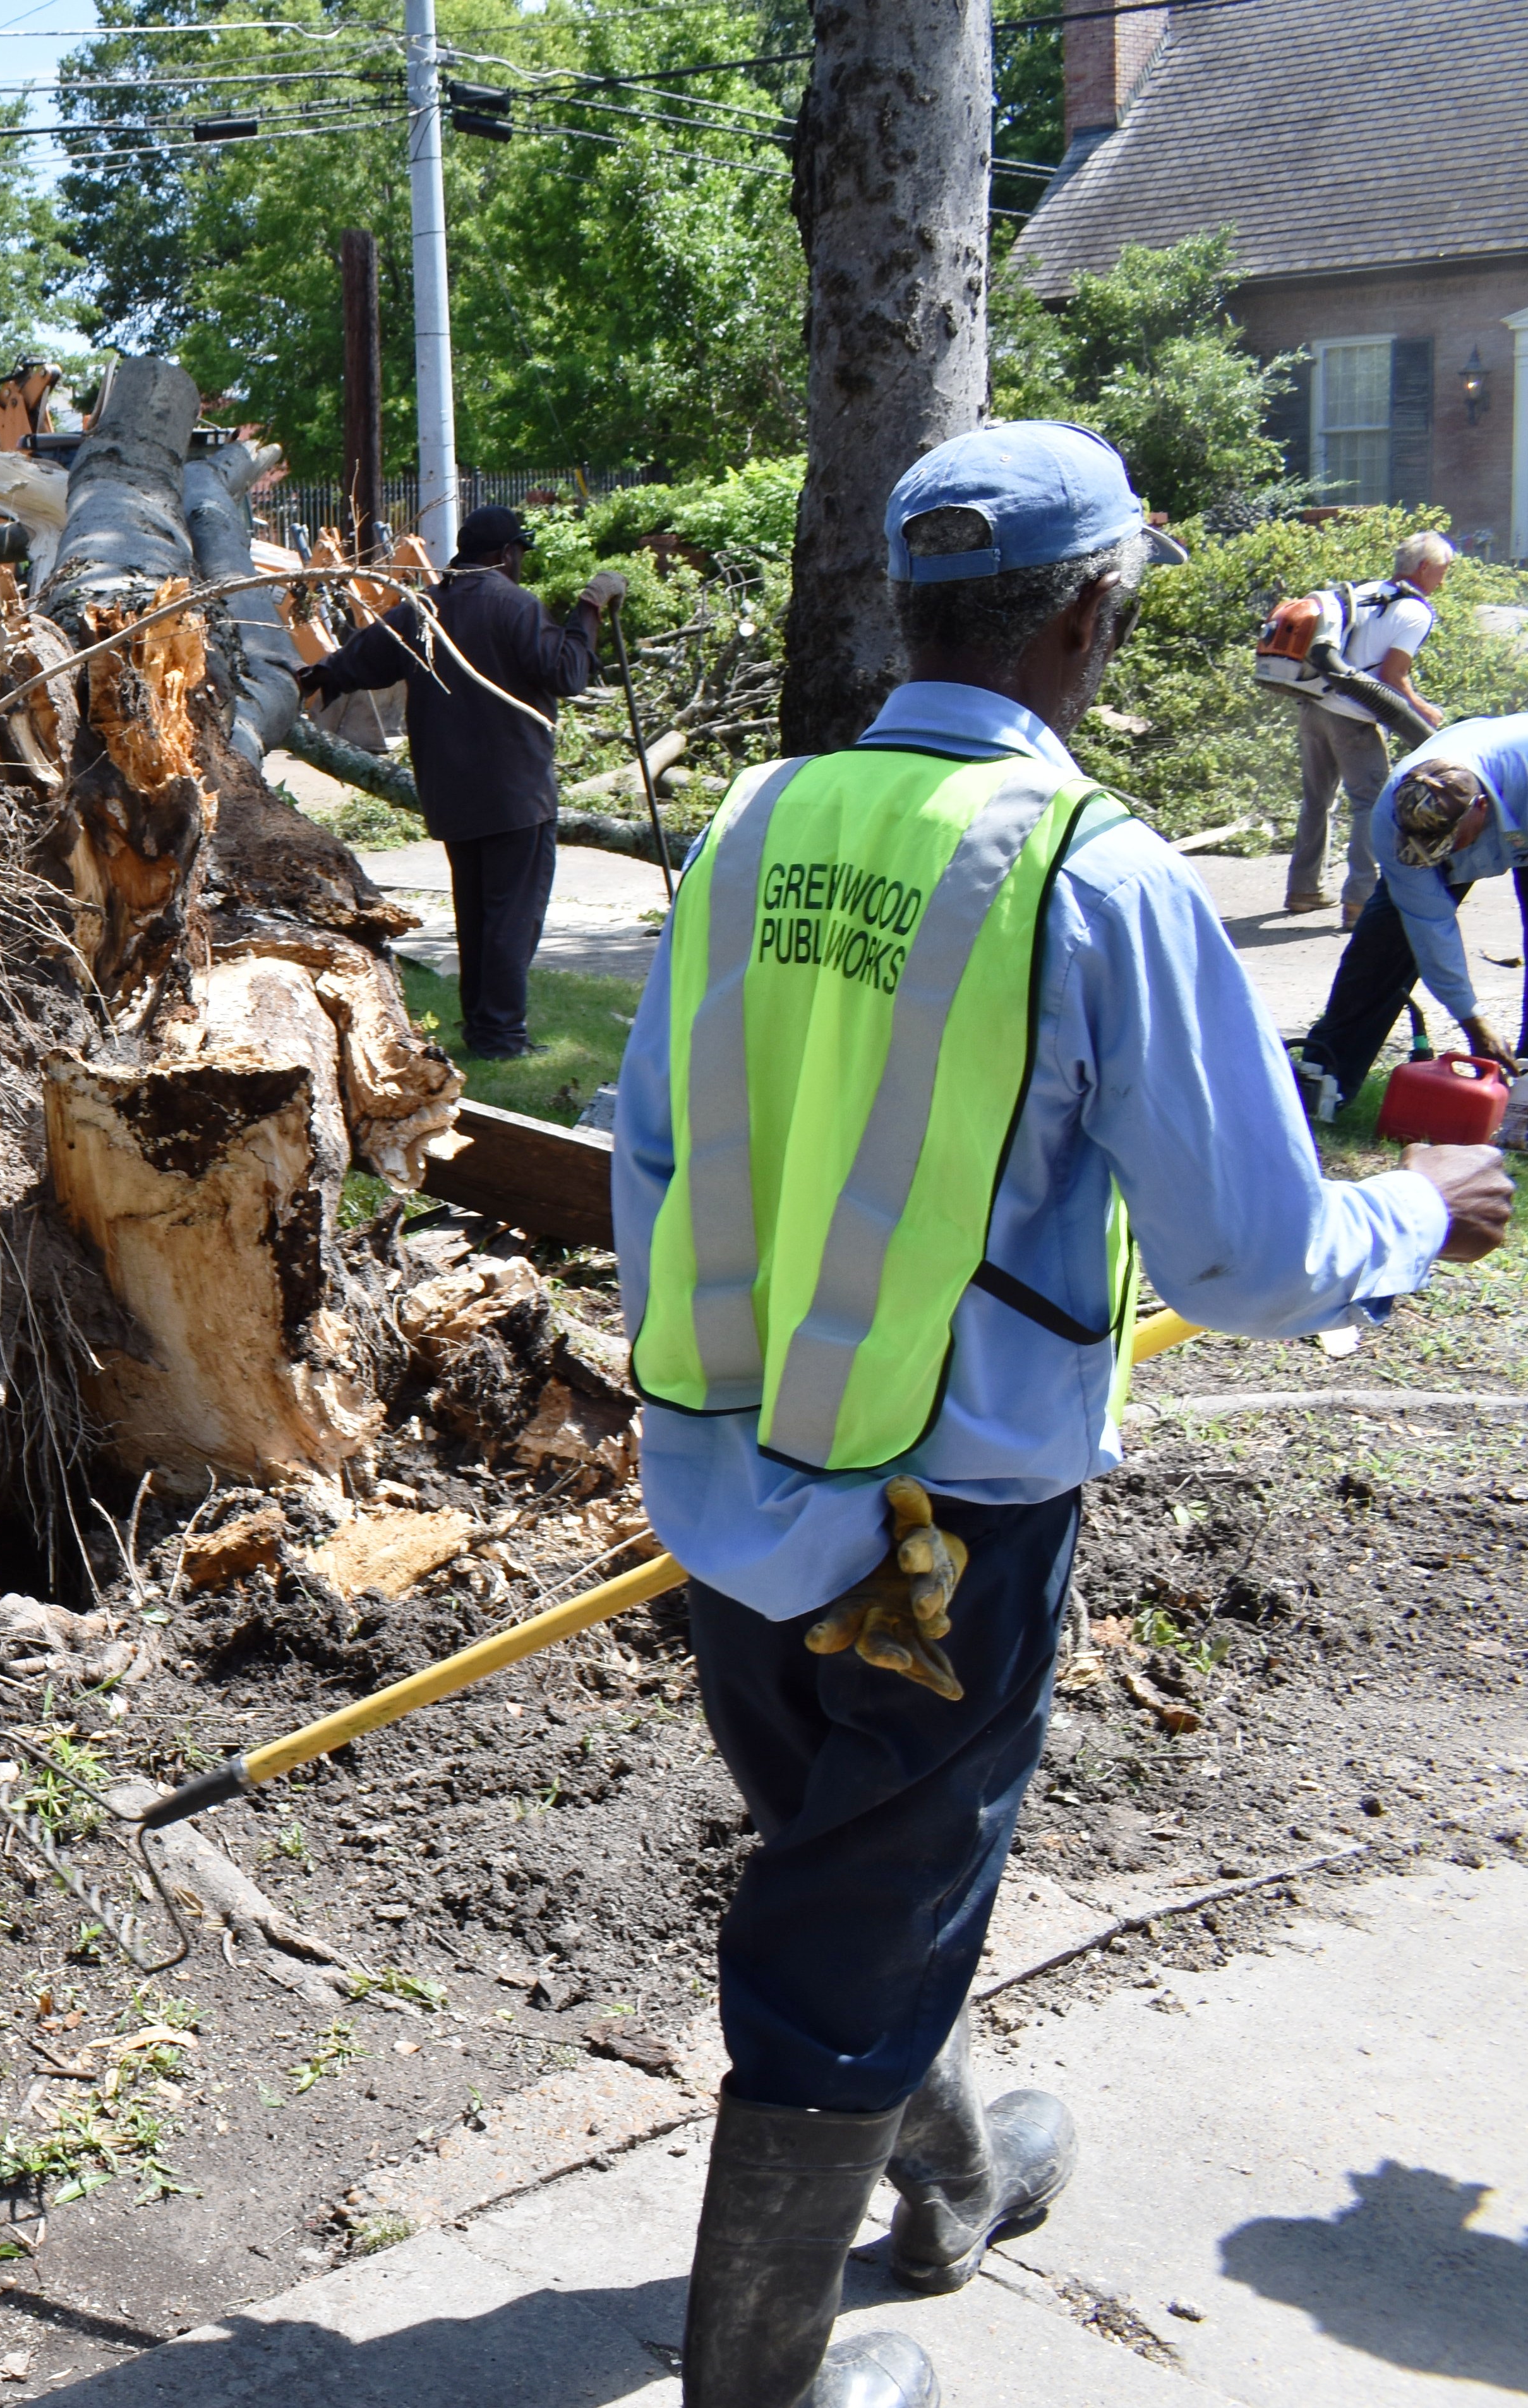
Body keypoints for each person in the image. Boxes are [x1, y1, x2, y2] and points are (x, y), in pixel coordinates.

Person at [611, 422, 1510, 2408]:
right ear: (1094, 615)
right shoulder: (1090, 871)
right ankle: (757, 2382)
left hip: (729, 1475)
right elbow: (1247, 1255)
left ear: (910, 607)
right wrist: (1417, 1212)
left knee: (858, 1858)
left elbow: (651, 1146)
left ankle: (950, 2172)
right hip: (938, 1529)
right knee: (853, 1919)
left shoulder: (756, 821)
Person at [292, 504, 627, 1056]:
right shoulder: (516, 606)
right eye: (519, 553)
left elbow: (361, 661)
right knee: (511, 918)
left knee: (476, 915)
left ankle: (483, 1027)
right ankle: (501, 1035)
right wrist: (589, 608)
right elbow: (567, 672)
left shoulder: (425, 608)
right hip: (515, 792)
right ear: (506, 554)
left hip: (451, 791)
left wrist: (309, 677)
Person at [1294, 714, 1528, 1112]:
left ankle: (1524, 1098)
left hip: (1520, 798)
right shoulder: (1393, 818)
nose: (1434, 859)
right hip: (1485, 806)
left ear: (1481, 809)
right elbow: (1430, 926)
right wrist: (1472, 1018)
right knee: (1383, 949)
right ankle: (1323, 1085)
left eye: (1445, 847)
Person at [1286, 529, 1452, 923]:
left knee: (1316, 800)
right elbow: (1394, 677)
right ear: (1424, 568)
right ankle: (1360, 901)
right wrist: (1425, 712)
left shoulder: (1362, 592)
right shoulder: (1416, 612)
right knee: (1371, 806)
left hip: (1315, 707)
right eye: (1443, 570)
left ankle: (1303, 890)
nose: (1444, 580)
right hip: (1355, 719)